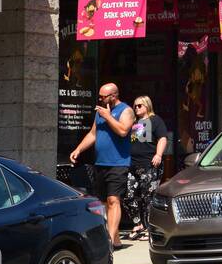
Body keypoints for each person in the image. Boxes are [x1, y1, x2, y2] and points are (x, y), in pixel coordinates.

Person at [69, 82, 134, 249]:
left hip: (118, 163)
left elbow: (123, 131)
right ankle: (117, 239)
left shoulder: (126, 111)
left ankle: (109, 240)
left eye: (103, 96)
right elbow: (92, 134)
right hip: (100, 163)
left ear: (114, 96)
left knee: (114, 200)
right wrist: (78, 149)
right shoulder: (100, 112)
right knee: (104, 202)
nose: (100, 99)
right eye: (99, 96)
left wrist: (108, 116)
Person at [124, 96, 168, 240]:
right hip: (133, 165)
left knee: (148, 197)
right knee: (129, 196)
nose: (136, 108)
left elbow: (162, 138)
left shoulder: (155, 120)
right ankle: (138, 224)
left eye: (140, 106)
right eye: (135, 106)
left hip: (149, 164)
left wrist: (158, 154)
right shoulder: (134, 123)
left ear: (147, 106)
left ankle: (150, 228)